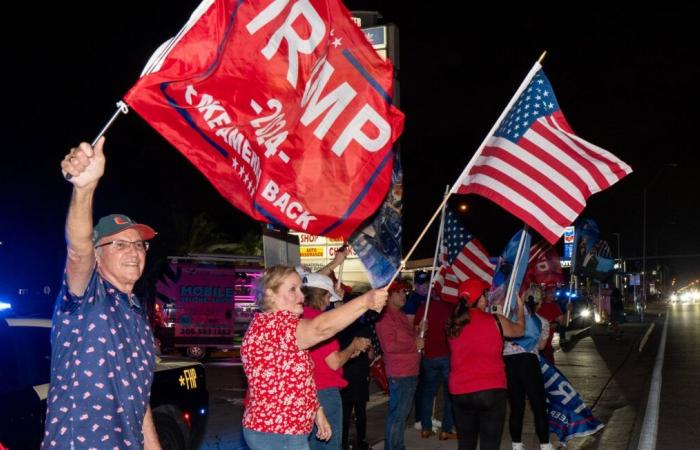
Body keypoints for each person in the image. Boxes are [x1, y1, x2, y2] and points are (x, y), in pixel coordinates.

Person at [43, 137, 162, 449]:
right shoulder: (86, 296)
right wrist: (84, 189)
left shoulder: (137, 313)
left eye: (139, 244)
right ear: (98, 254)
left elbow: (140, 398)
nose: (134, 251)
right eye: (119, 244)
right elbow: (78, 251)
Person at [241, 266, 387, 450]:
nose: (301, 297)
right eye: (292, 289)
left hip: (285, 430)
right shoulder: (273, 326)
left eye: (301, 289)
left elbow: (298, 382)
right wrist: (365, 301)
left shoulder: (280, 326)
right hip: (278, 432)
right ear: (270, 294)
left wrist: (318, 413)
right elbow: (321, 328)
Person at [447, 279, 525, 450]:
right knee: (490, 445)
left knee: (465, 444)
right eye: (485, 295)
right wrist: (521, 310)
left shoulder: (453, 324)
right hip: (491, 390)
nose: (487, 298)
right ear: (480, 298)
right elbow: (520, 330)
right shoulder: (496, 320)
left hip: (460, 391)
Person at [302, 273, 371, 450]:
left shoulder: (299, 319)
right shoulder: (321, 323)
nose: (328, 302)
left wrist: (350, 352)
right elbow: (334, 362)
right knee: (329, 443)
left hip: (305, 392)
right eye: (327, 297)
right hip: (324, 392)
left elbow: (321, 357)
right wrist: (353, 346)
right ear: (320, 295)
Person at [375, 280, 424, 450]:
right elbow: (389, 346)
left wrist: (418, 330)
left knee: (401, 415)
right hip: (400, 373)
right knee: (397, 415)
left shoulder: (400, 314)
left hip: (409, 372)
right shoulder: (386, 316)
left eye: (405, 292)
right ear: (389, 295)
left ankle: (397, 445)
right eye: (400, 292)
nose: (404, 295)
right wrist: (414, 345)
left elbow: (407, 339)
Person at [503, 295, 554, 450]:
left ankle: (516, 444)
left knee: (516, 406)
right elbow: (541, 346)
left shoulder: (508, 318)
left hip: (509, 363)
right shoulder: (542, 321)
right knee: (538, 405)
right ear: (538, 304)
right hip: (529, 362)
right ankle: (545, 444)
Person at [413, 293, 457, 440]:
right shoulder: (450, 307)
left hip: (429, 356)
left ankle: (426, 427)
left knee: (428, 393)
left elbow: (416, 330)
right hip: (446, 355)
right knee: (449, 394)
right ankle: (446, 429)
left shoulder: (423, 308)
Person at [337, 308, 375, 450]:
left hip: (345, 373)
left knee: (345, 412)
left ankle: (343, 442)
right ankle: (361, 441)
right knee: (360, 410)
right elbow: (370, 353)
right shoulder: (364, 329)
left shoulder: (341, 329)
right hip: (360, 373)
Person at [537, 286, 565, 366]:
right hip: (535, 346)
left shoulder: (554, 306)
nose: (554, 295)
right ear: (544, 294)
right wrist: (550, 325)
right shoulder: (537, 306)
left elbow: (563, 322)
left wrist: (568, 310)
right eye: (551, 292)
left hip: (548, 346)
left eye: (554, 292)